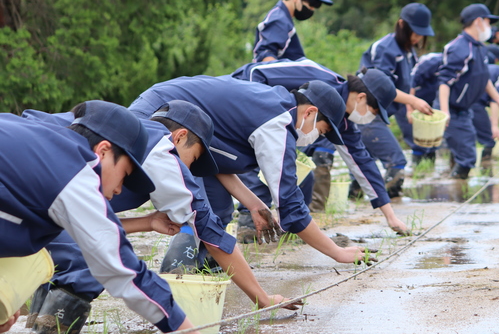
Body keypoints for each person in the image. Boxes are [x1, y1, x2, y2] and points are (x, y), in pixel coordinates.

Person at [21, 100, 297, 333]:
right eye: (193, 158)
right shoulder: (162, 154)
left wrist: (147, 222)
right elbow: (211, 235)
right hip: (24, 171)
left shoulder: (128, 137)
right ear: (179, 138)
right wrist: (261, 297)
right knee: (91, 260)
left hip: (23, 163)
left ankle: (35, 323)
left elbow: (76, 223)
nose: (188, 171)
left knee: (58, 246)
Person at [129, 76, 375, 266]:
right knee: (193, 208)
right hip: (158, 116)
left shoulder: (272, 106)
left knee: (219, 209)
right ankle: (177, 274)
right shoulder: (277, 122)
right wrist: (337, 252)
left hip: (164, 110)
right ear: (310, 112)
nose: (315, 137)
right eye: (320, 131)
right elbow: (290, 205)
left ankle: (200, 268)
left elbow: (216, 160)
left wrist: (255, 205)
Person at [0, 101, 199, 334]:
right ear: (103, 151)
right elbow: (126, 272)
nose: (119, 190)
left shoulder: (30, 140)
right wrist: (187, 330)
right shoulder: (74, 174)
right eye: (124, 175)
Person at [232, 57, 412, 235]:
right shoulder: (316, 75)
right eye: (374, 112)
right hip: (242, 101)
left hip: (276, 125)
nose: (371, 118)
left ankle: (291, 225)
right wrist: (260, 110)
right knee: (266, 158)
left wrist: (390, 216)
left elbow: (362, 162)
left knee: (303, 177)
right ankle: (248, 223)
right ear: (361, 97)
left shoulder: (344, 121)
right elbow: (255, 72)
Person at [356, 2, 435, 196]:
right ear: (401, 25)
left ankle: (355, 203)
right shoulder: (386, 49)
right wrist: (412, 101)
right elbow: (381, 87)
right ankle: (388, 205)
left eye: (421, 35)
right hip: (364, 112)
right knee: (396, 161)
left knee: (364, 166)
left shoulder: (409, 51)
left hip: (376, 115)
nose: (417, 38)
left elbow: (407, 84)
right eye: (414, 33)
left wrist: (410, 108)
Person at [436, 4, 499, 179]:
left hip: (466, 109)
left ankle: (453, 187)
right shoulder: (460, 48)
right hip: (452, 109)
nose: (490, 27)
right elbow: (444, 82)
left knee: (465, 150)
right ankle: (455, 194)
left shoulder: (479, 47)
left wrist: (497, 97)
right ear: (478, 22)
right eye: (488, 22)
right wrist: (445, 112)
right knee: (468, 156)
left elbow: (483, 76)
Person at [253, 0, 333, 63]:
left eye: (317, 6)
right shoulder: (278, 20)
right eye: (312, 4)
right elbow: (266, 55)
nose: (312, 9)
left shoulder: (284, 18)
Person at [409, 52, 444, 166]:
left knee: (433, 135)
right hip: (415, 99)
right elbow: (411, 83)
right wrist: (409, 109)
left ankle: (430, 167)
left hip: (433, 100)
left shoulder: (457, 65)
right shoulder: (431, 62)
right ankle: (416, 165)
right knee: (417, 133)